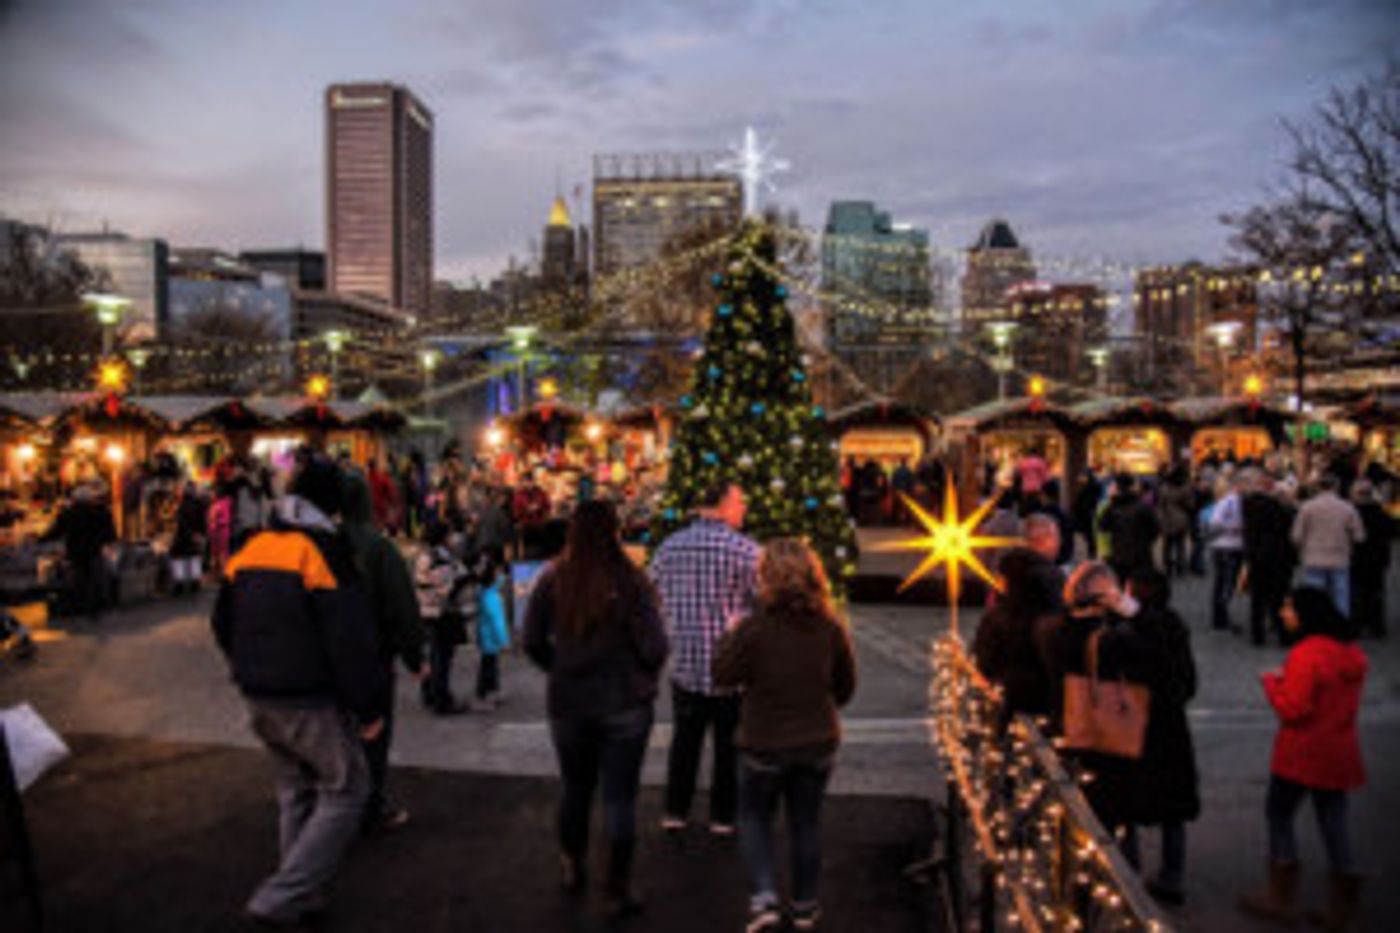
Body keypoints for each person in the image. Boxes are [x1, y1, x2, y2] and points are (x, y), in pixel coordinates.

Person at [210, 451, 384, 928]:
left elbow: (220, 621)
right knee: (349, 789)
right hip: (306, 697)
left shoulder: (250, 546)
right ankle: (280, 897)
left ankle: (302, 896)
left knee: (295, 791)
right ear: (332, 506)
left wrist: (247, 665)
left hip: (257, 693)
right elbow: (349, 638)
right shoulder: (323, 552)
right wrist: (369, 706)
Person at [523, 501, 669, 916]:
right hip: (624, 701)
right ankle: (616, 887)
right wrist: (642, 673)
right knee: (620, 799)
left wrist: (559, 666)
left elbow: (531, 639)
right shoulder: (631, 581)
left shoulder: (553, 580)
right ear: (615, 533)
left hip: (570, 702)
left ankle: (573, 864)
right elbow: (656, 646)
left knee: (575, 788)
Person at [713, 539, 857, 932]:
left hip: (764, 739)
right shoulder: (829, 627)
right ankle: (806, 904)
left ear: (766, 578)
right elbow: (846, 685)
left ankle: (765, 898)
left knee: (755, 817)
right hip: (817, 738)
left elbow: (722, 676)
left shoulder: (753, 629)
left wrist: (728, 635)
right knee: (806, 822)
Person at [1239, 587, 1368, 930]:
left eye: (1288, 607)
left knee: (1279, 815)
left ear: (1306, 614)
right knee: (1334, 823)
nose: (1284, 613)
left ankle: (1281, 895)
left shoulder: (1307, 654)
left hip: (1301, 752)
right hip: (1339, 749)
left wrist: (1270, 684)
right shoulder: (1350, 653)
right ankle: (1345, 904)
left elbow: (1293, 709)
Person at [650, 479, 761, 837]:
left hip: (684, 662)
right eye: (740, 501)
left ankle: (675, 811)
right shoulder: (746, 551)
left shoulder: (670, 547)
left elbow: (652, 592)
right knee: (729, 748)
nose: (744, 508)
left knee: (685, 742)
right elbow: (762, 604)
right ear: (724, 505)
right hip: (731, 668)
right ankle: (722, 817)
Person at [1040, 562, 1154, 853]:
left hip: (1064, 727)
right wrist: (1133, 613)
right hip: (1102, 739)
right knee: (1113, 821)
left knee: (1071, 815)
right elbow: (1157, 651)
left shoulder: (1050, 628)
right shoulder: (1109, 639)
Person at [340, 467, 426, 832]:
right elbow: (401, 608)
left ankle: (335, 806)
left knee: (337, 738)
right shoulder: (378, 548)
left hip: (327, 664)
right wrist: (414, 656)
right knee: (373, 737)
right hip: (373, 661)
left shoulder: (322, 543)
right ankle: (368, 808)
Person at [1124, 569, 1200, 906]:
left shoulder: (1127, 634)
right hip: (1171, 728)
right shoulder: (1175, 628)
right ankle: (1173, 875)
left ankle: (1128, 874)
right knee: (1172, 810)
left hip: (1135, 727)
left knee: (1126, 802)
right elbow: (1188, 683)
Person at [974, 547, 1063, 723]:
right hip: (1053, 703)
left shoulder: (1001, 617)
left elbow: (984, 661)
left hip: (1011, 699)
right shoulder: (1058, 612)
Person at [415, 521, 471, 715]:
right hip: (441, 612)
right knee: (442, 657)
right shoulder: (437, 557)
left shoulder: (426, 555)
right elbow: (446, 587)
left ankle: (429, 694)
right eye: (449, 534)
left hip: (428, 611)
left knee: (433, 654)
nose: (453, 538)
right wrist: (464, 577)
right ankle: (442, 700)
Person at [1291, 474, 1365, 617]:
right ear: (1336, 488)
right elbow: (1359, 536)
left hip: (1313, 557)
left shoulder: (1307, 508)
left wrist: (1301, 549)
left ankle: (1316, 627)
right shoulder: (1347, 508)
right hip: (1340, 557)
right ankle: (1340, 628)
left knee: (1314, 597)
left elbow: (1296, 536)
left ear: (1318, 488)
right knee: (1341, 596)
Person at [41, 483, 116, 620]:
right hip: (93, 549)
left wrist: (40, 539)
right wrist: (108, 542)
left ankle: (80, 605)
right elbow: (109, 532)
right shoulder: (100, 512)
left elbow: (56, 531)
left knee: (78, 577)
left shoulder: (69, 513)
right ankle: (94, 606)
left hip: (75, 550)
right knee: (94, 577)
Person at [1242, 473, 1297, 646]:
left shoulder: (1248, 505)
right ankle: (1283, 634)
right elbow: (1288, 525)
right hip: (1278, 556)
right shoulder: (1278, 507)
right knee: (1278, 597)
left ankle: (1257, 634)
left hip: (1256, 555)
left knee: (1258, 597)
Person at [1097, 473, 1161, 583]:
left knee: (1122, 584)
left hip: (1119, 554)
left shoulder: (1112, 507)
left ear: (1117, 487)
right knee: (1141, 585)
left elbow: (1102, 527)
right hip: (1141, 554)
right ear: (1132, 487)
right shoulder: (1142, 506)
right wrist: (1146, 541)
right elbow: (1155, 529)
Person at [1350, 480, 1393, 638]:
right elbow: (1391, 531)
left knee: (1356, 592)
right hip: (1378, 558)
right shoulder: (1381, 513)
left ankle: (1357, 623)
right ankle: (1376, 625)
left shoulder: (1352, 513)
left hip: (1356, 558)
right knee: (1376, 591)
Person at [1207, 473, 1246, 632]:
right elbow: (1215, 523)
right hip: (1230, 546)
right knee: (1226, 583)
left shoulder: (1228, 501)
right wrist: (1234, 528)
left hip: (1222, 546)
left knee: (1221, 582)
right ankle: (1221, 616)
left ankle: (1219, 616)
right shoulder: (1230, 502)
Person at [473, 556, 509, 710]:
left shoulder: (482, 592)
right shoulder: (492, 598)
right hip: (491, 639)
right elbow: (498, 623)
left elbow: (499, 578)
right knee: (488, 668)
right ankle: (483, 694)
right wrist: (504, 641)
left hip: (484, 637)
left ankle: (492, 691)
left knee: (489, 666)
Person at [168, 479, 207, 596]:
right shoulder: (198, 504)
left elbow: (182, 523)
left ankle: (179, 584)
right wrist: (200, 533)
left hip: (184, 536)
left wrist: (190, 533)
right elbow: (202, 521)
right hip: (193, 535)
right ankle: (194, 582)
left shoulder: (183, 506)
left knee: (179, 558)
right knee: (193, 558)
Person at [1157, 467, 1193, 578]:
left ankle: (1168, 568)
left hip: (1167, 519)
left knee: (1167, 546)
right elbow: (1190, 505)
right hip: (1181, 519)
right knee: (1180, 546)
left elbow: (1160, 504)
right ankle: (1180, 569)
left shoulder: (1164, 488)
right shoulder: (1185, 488)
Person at [1071, 469, 1102, 560]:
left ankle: (1091, 556)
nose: (1079, 479)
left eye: (1082, 476)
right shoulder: (1092, 488)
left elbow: (1082, 504)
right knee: (1090, 539)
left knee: (1089, 538)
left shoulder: (1088, 489)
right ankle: (1092, 555)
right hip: (1087, 516)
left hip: (1087, 517)